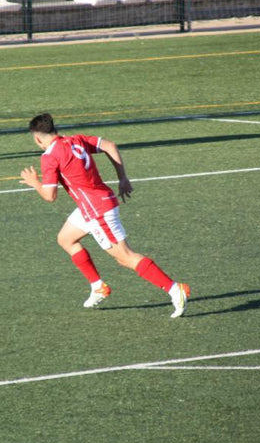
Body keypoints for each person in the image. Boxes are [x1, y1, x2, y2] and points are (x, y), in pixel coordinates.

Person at [19, 113, 190, 318]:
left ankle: (175, 289)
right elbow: (110, 145)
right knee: (65, 239)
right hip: (94, 204)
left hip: (97, 211)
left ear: (38, 138)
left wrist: (34, 182)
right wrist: (122, 178)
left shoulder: (49, 156)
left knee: (125, 257)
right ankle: (98, 286)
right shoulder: (76, 140)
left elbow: (50, 196)